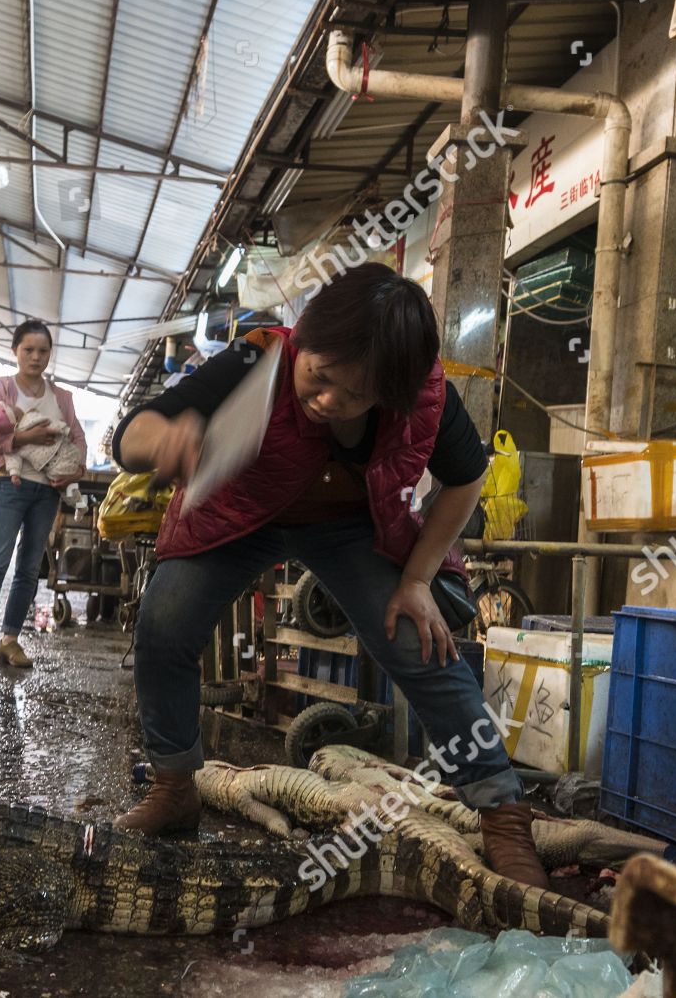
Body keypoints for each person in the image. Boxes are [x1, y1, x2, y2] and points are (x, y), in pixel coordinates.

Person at [109, 263, 550, 889]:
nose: (326, 402)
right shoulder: (256, 358)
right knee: (165, 620)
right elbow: (130, 434)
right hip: (239, 514)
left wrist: (418, 579)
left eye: (353, 395)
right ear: (302, 341)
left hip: (351, 524)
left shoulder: (424, 394)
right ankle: (175, 784)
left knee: (417, 640)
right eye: (317, 377)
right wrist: (165, 440)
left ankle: (504, 815)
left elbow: (467, 476)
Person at [0, 320, 88, 671]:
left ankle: (10, 641)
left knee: (29, 568)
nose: (36, 357)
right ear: (15, 351)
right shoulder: (1, 388)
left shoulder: (62, 398)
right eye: (29, 350)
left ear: (50, 354)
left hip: (46, 492)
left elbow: (78, 438)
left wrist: (75, 469)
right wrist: (26, 440)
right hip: (8, 483)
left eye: (43, 351)